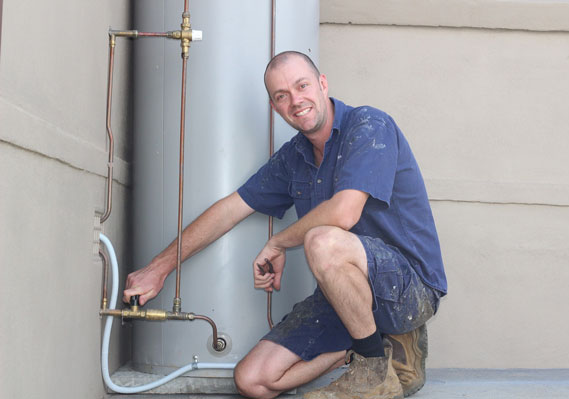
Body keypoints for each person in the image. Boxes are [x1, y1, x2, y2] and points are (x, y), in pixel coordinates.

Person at [123, 51, 447, 399]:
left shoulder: (369, 126)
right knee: (253, 380)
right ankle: (375, 348)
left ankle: (373, 375)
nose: (295, 100)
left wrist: (278, 243)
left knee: (322, 240)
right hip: (346, 299)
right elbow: (229, 209)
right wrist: (158, 269)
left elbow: (344, 214)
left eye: (302, 85)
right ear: (275, 107)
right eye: (281, 96)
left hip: (409, 288)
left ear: (323, 84)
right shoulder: (295, 157)